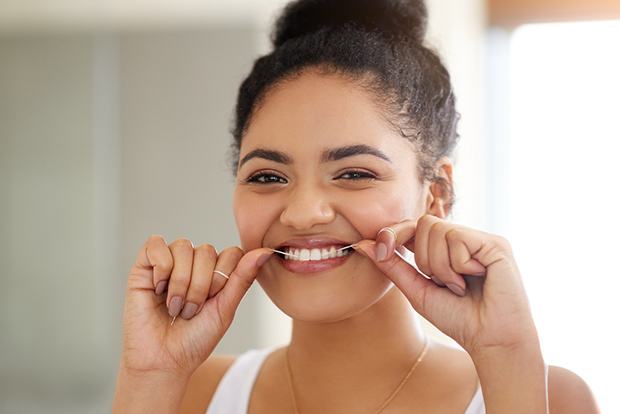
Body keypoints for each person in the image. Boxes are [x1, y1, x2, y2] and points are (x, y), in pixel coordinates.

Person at [112, 0, 600, 413]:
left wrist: (506, 358)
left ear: (437, 193)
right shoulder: (192, 392)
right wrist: (149, 378)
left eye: (354, 173)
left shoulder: (545, 394)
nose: (303, 213)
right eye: (267, 176)